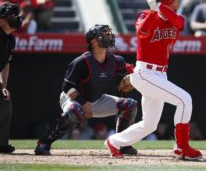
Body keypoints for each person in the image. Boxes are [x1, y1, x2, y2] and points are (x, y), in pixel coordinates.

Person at [105, 0, 202, 160]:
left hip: (160, 74)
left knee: (149, 124)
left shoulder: (175, 18)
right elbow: (142, 31)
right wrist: (152, 10)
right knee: (185, 100)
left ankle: (114, 141)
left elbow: (179, 23)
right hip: (145, 73)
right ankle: (181, 147)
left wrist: (161, 7)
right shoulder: (145, 16)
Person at [34, 24, 138, 155]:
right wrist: (83, 103)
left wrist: (132, 80)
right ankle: (44, 143)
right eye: (104, 34)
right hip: (74, 97)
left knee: (130, 105)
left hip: (97, 98)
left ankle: (123, 144)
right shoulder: (81, 62)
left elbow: (128, 75)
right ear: (93, 41)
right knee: (74, 112)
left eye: (108, 33)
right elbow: (67, 87)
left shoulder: (117, 60)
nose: (109, 36)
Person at [0, 2, 22, 153]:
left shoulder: (10, 39)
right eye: (11, 16)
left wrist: (3, 87)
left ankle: (1, 143)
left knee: (5, 102)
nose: (16, 18)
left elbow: (6, 64)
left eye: (16, 15)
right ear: (1, 21)